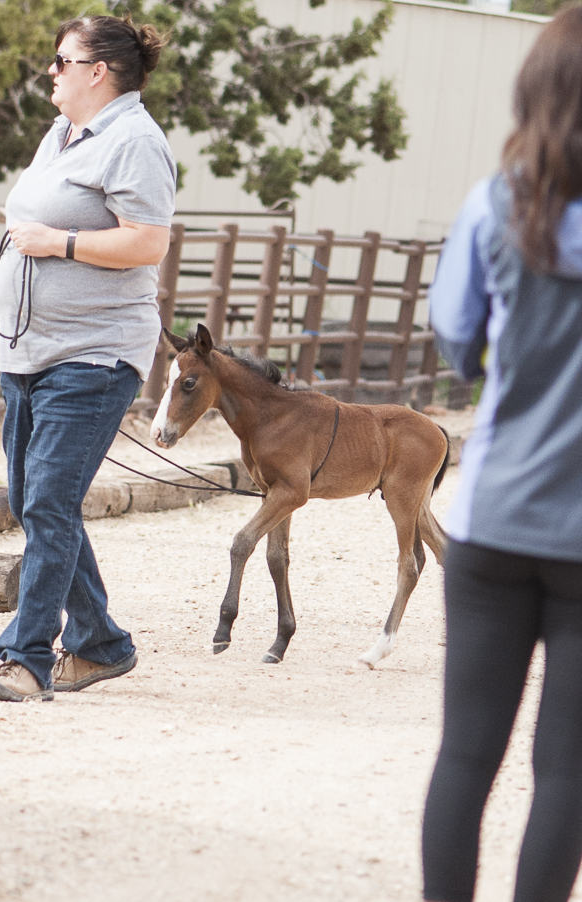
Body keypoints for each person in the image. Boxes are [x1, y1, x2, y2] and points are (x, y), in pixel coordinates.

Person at [421, 7, 582, 901]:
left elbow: (457, 341)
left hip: (494, 521)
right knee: (566, 772)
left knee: (467, 753)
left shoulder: (496, 204)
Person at [0, 15, 177, 702]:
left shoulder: (135, 142)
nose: (51, 72)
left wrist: (57, 246)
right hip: (29, 349)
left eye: (62, 61)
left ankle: (27, 658)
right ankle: (100, 643)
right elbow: (27, 225)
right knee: (38, 501)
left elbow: (148, 242)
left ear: (99, 71)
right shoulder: (61, 134)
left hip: (94, 355)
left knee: (50, 501)